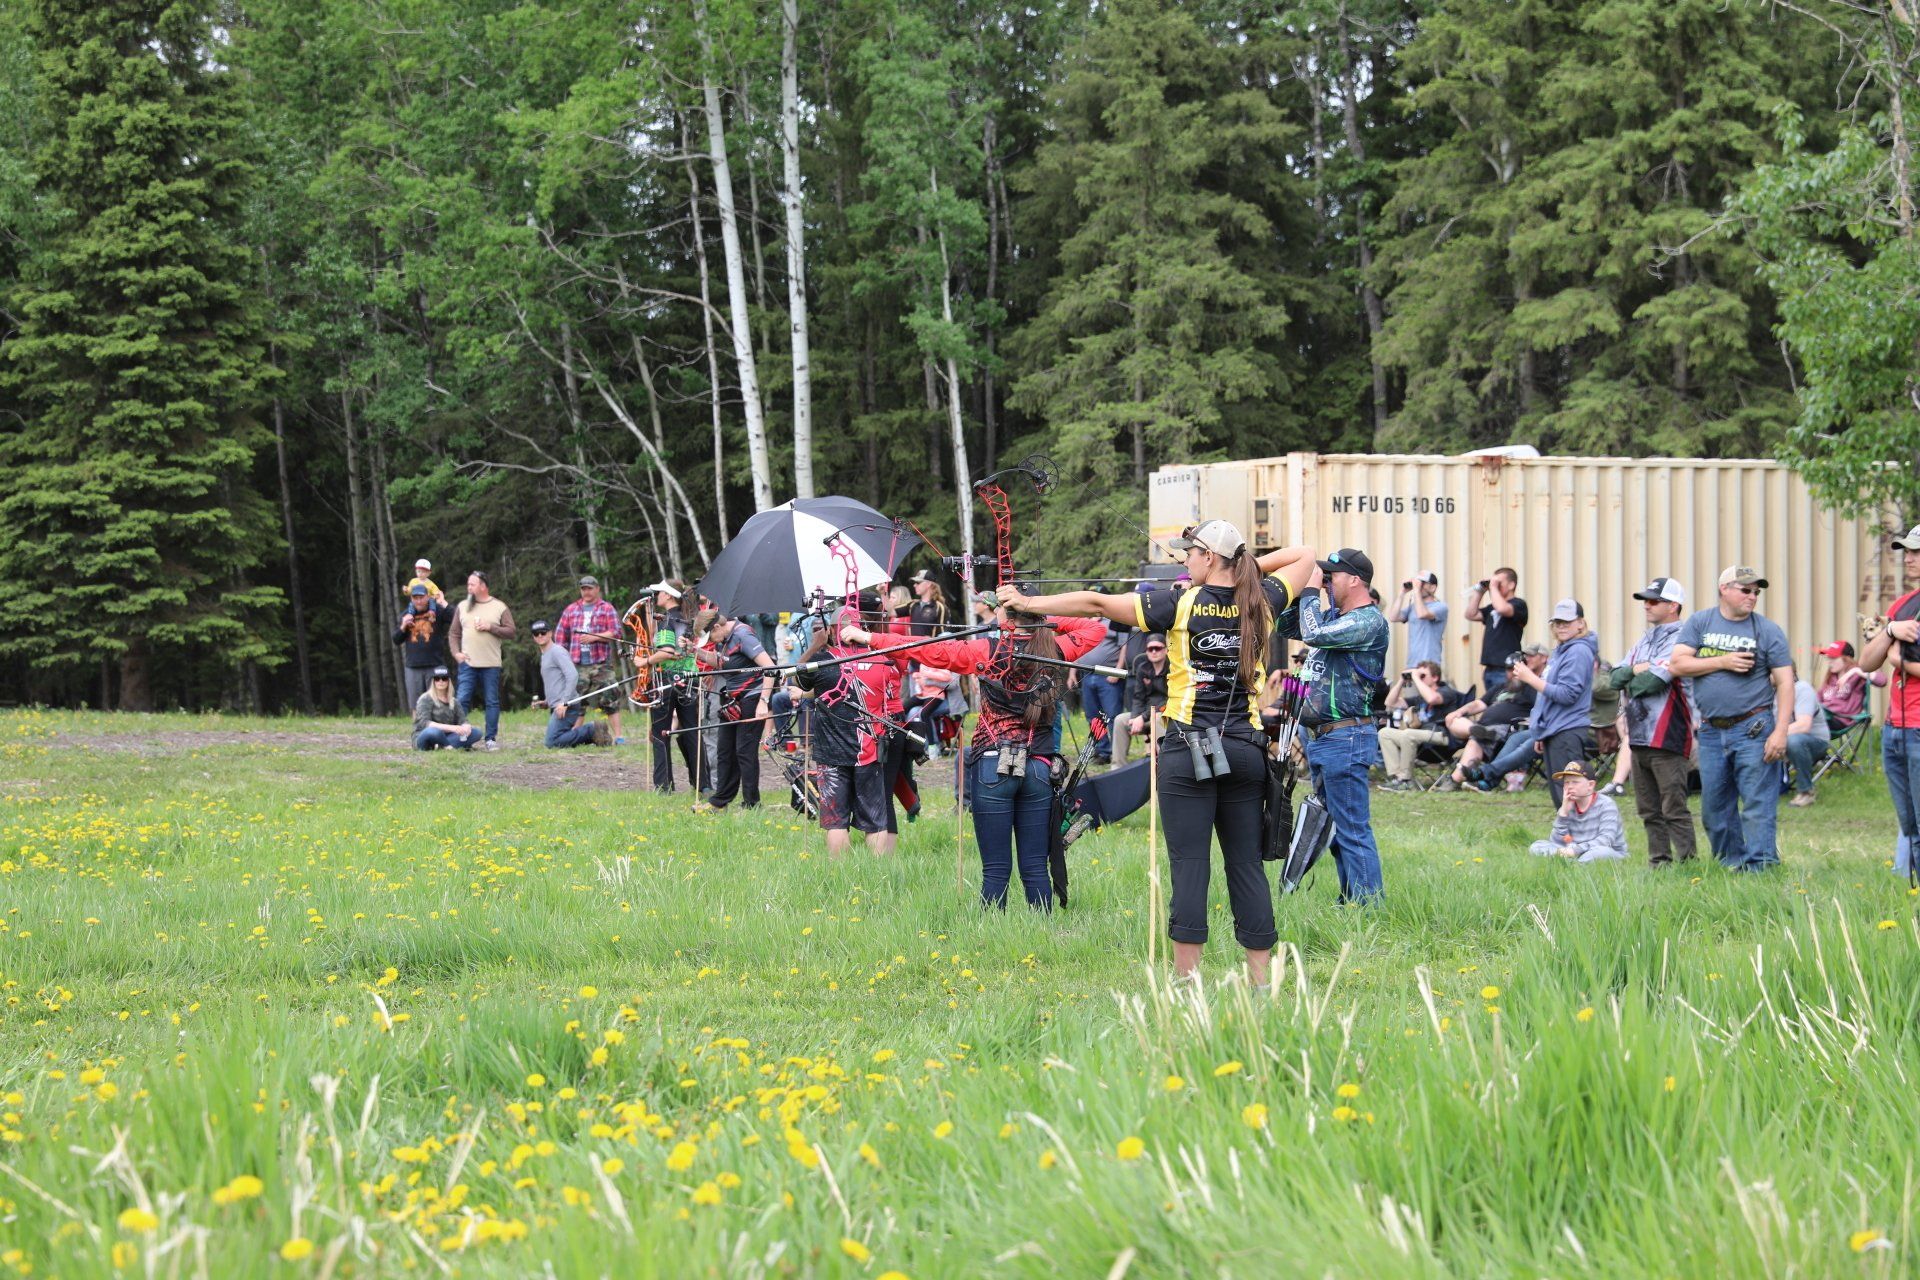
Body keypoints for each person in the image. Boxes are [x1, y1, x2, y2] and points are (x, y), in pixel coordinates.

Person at [1002, 524, 1316, 969]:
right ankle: (1261, 985)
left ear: (1210, 557)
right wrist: (1240, 577)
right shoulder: (1261, 599)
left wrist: (1027, 603)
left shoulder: (1180, 603)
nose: (1185, 560)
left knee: (1190, 865)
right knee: (1246, 866)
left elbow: (1096, 603)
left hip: (1188, 750)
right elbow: (1305, 555)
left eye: (1191, 553)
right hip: (1247, 750)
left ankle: (1187, 984)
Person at [850, 597, 1105, 910]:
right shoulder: (1056, 648)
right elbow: (1093, 627)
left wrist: (867, 637)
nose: (994, 610)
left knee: (995, 870)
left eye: (999, 606)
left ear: (1007, 616)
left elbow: (922, 648)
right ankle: (1042, 930)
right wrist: (1043, 616)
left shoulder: (986, 650)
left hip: (992, 766)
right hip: (1039, 768)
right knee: (1035, 867)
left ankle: (991, 933)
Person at [1280, 547, 1390, 905]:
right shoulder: (1333, 617)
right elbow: (1286, 626)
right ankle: (1351, 901)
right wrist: (1297, 590)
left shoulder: (1368, 622)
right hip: (1324, 738)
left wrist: (1312, 590)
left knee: (1352, 828)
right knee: (1337, 830)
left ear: (1355, 580)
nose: (1328, 581)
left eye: (1333, 576)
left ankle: (1368, 908)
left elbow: (1312, 634)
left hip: (1347, 736)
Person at [1669, 566, 1795, 871]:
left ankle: (1761, 867)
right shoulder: (1701, 622)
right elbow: (1677, 664)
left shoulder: (1768, 630)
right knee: (1714, 806)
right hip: (1711, 730)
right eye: (1745, 590)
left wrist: (1781, 731)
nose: (1752, 596)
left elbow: (1786, 682)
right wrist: (1723, 661)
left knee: (1757, 803)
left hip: (1754, 727)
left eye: (1756, 592)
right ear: (1723, 589)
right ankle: (1731, 865)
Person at [795, 606, 905, 857]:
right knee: (875, 819)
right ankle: (879, 871)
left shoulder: (822, 662)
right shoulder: (882, 660)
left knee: (836, 820)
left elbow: (797, 678)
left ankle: (839, 873)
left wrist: (815, 646)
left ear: (832, 631)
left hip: (830, 753)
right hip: (869, 749)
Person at [1610, 576, 1695, 865]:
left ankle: (1688, 864)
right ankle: (1658, 862)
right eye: (1645, 600)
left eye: (1654, 600)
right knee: (1648, 809)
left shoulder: (1683, 639)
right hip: (1638, 736)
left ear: (1673, 605)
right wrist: (1638, 669)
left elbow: (1650, 684)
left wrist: (1633, 674)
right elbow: (1614, 678)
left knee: (1674, 807)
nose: (1647, 605)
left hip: (1668, 734)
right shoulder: (1645, 638)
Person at [1861, 523, 1920, 878]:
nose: (1909, 559)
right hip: (1895, 728)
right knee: (1909, 825)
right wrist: (1889, 630)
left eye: (1916, 552)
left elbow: (1892, 661)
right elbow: (1867, 662)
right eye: (1907, 552)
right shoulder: (1902, 605)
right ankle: (1912, 893)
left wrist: (1900, 661)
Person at [1509, 599, 1597, 806]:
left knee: (1570, 797)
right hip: (1555, 729)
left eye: (1567, 622)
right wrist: (1542, 730)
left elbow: (1567, 695)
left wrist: (1531, 678)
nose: (1561, 627)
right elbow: (1547, 696)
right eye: (1558, 623)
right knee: (1562, 796)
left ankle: (1576, 829)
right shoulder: (1563, 650)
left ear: (1580, 623)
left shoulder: (1578, 651)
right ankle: (1567, 828)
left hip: (1567, 731)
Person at [1443, 644, 1547, 791]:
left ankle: (1456, 780)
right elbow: (1479, 703)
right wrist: (1458, 712)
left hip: (1505, 729)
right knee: (1454, 720)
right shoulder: (1501, 687)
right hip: (1483, 727)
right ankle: (1475, 730)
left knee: (1476, 740)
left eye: (1516, 668)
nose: (1513, 672)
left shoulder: (1532, 687)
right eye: (1509, 669)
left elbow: (1541, 708)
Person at [701, 612, 777, 810]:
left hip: (753, 698)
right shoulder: (724, 639)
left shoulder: (743, 636)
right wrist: (694, 651)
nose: (710, 641)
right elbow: (722, 662)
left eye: (709, 636)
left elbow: (770, 668)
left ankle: (752, 804)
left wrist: (764, 702)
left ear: (716, 627)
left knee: (745, 751)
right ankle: (719, 802)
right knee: (725, 750)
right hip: (732, 699)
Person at [642, 581, 701, 791]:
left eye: (660, 592)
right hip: (690, 680)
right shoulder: (687, 619)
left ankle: (663, 786)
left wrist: (645, 661)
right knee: (691, 732)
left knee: (660, 732)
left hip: (667, 681)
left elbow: (666, 651)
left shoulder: (667, 621)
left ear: (668, 595)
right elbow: (655, 638)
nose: (657, 594)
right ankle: (702, 784)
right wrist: (648, 611)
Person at [554, 575, 625, 745]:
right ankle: (573, 737)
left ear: (597, 589)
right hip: (577, 664)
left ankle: (619, 737)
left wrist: (594, 637)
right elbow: (560, 636)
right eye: (583, 589)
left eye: (590, 588)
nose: (586, 592)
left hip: (601, 663)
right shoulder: (571, 610)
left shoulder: (606, 608)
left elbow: (616, 632)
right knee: (576, 702)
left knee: (610, 698)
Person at [449, 571, 516, 750]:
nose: (468, 587)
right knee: (462, 700)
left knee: (491, 702)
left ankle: (490, 739)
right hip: (467, 664)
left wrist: (491, 627)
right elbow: (454, 633)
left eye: (472, 584)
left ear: (483, 586)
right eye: (468, 584)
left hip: (491, 664)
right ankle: (460, 738)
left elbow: (511, 631)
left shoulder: (499, 606)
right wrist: (456, 653)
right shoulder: (463, 606)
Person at [1377, 661, 1467, 790]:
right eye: (1418, 676)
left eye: (1423, 675)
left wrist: (1415, 677)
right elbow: (1390, 702)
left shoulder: (1446, 691)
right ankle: (1397, 778)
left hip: (1442, 736)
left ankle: (1406, 781)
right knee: (1385, 733)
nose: (1418, 678)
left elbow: (1432, 699)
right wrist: (1402, 681)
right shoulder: (1420, 698)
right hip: (1421, 739)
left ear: (1435, 677)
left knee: (1408, 734)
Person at [1527, 762, 1628, 861]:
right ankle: (1573, 862)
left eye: (1575, 782)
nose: (1569, 786)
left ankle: (1572, 862)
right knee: (1536, 847)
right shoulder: (1568, 804)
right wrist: (1563, 813)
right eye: (1566, 782)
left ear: (1590, 785)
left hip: (1603, 850)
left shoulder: (1606, 804)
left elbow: (1606, 840)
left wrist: (1576, 850)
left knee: (1599, 853)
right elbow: (1557, 841)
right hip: (1573, 849)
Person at [532, 620, 604, 748]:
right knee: (557, 739)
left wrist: (565, 702)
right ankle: (592, 735)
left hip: (568, 705)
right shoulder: (545, 655)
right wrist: (547, 702)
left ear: (550, 633)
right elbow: (556, 682)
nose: (540, 636)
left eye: (543, 632)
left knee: (552, 742)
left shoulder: (557, 651)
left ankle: (591, 730)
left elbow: (572, 675)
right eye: (536, 634)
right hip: (558, 705)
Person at [1467, 568, 1528, 695]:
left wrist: (1493, 587)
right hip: (1489, 668)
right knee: (1491, 703)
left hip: (1506, 669)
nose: (1494, 585)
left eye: (1499, 582)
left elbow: (1502, 608)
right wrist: (1480, 591)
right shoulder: (1492, 608)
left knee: (1503, 701)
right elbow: (1471, 614)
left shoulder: (1519, 604)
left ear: (1511, 585)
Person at [1113, 633, 1170, 766]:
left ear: (1165, 650)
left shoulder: (1172, 668)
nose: (1154, 652)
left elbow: (1169, 700)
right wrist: (1134, 717)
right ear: (1146, 651)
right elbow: (1138, 697)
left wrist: (1142, 717)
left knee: (1158, 718)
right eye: (1150, 649)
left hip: (1167, 715)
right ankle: (1117, 767)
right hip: (1146, 715)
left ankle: (1163, 766)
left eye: (1158, 648)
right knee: (1120, 720)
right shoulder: (1142, 668)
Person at [1075, 617, 1125, 764]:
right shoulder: (1084, 621)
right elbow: (1078, 646)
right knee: (1092, 716)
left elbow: (1124, 645)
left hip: (1108, 675)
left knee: (1112, 716)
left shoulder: (1114, 621)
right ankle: (1102, 751)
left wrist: (1118, 670)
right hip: (1086, 673)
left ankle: (1116, 753)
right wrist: (1073, 672)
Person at [392, 584, 449, 707]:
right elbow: (396, 640)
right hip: (413, 666)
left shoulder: (437, 611)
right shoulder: (406, 614)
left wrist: (444, 603)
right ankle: (417, 721)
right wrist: (403, 626)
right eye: (415, 598)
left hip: (435, 665)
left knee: (438, 704)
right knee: (416, 705)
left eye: (421, 597)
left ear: (427, 597)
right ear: (411, 598)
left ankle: (438, 721)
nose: (418, 601)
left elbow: (456, 618)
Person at [1784, 676, 1831, 807]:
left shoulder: (1801, 689)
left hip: (1814, 741)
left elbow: (1803, 725)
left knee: (1794, 741)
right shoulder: (1768, 692)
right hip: (1783, 741)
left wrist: (1774, 737)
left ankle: (1806, 792)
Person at [1814, 640, 1886, 723]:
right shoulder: (1830, 677)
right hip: (1824, 716)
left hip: (1841, 719)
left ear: (1847, 659)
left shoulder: (1857, 676)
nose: (1829, 662)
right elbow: (1817, 699)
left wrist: (1855, 670)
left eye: (1833, 658)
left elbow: (1882, 681)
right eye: (1829, 658)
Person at [1392, 571, 1449, 669]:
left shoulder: (1441, 607)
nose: (1418, 586)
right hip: (1412, 663)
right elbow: (1394, 617)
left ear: (1433, 587)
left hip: (1430, 664)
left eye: (1422, 583)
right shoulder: (1413, 607)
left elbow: (1422, 614)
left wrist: (1416, 591)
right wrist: (1402, 593)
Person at [412, 667, 476, 750]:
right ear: (433, 682)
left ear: (448, 681)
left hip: (448, 735)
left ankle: (443, 745)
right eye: (437, 679)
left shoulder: (454, 701)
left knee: (476, 732)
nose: (440, 681)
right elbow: (425, 723)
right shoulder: (425, 698)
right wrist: (453, 728)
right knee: (434, 731)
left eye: (444, 678)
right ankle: (450, 745)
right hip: (425, 734)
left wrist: (466, 727)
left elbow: (463, 720)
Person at [907, 570, 952, 635]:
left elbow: (944, 635)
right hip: (913, 642)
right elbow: (892, 612)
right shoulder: (913, 604)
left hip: (931, 642)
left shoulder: (940, 607)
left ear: (928, 584)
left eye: (918, 582)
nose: (914, 585)